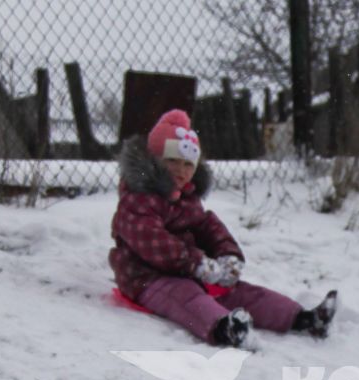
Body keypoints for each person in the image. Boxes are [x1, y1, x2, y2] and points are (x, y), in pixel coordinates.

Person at [110, 109, 337, 347]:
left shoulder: (188, 198)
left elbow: (208, 226)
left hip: (187, 270)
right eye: (172, 161)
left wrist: (227, 255)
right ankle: (223, 329)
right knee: (185, 296)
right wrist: (196, 263)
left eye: (188, 164)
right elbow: (152, 242)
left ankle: (303, 318)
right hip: (147, 279)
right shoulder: (138, 200)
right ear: (155, 161)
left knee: (239, 292)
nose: (181, 170)